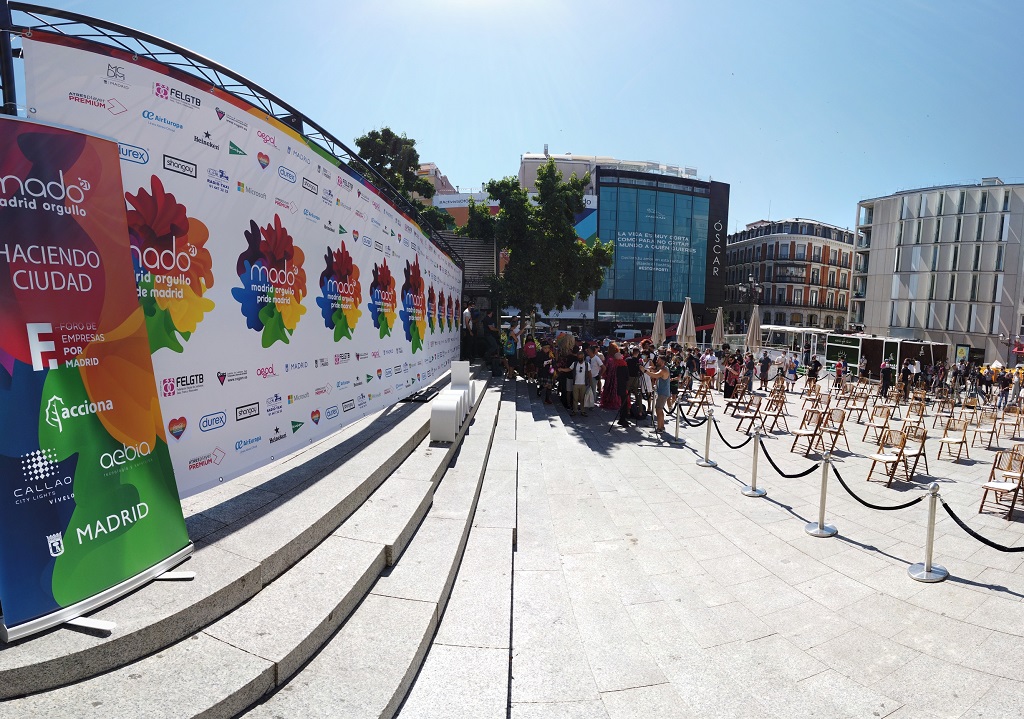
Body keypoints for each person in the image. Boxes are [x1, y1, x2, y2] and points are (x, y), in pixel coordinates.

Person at [644, 355, 671, 432]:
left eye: (658, 360)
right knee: (660, 410)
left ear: (662, 362)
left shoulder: (663, 370)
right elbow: (656, 373)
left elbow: (655, 375)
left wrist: (645, 371)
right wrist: (652, 369)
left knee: (658, 410)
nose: (656, 361)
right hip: (662, 392)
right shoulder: (663, 368)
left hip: (663, 393)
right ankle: (661, 426)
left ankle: (659, 428)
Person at [602, 342, 625, 411]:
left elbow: (605, 366)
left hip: (609, 375)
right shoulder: (618, 357)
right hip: (617, 375)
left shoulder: (609, 358)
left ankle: (608, 401)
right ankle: (615, 402)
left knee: (608, 388)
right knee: (615, 389)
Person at [568, 348, 591, 417]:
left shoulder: (587, 364)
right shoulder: (574, 363)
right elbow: (569, 369)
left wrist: (590, 382)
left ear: (583, 357)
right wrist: (562, 369)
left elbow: (589, 373)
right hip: (576, 383)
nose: (580, 359)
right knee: (575, 398)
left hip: (583, 384)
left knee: (582, 399)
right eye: (579, 358)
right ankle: (575, 410)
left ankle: (582, 411)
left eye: (581, 358)